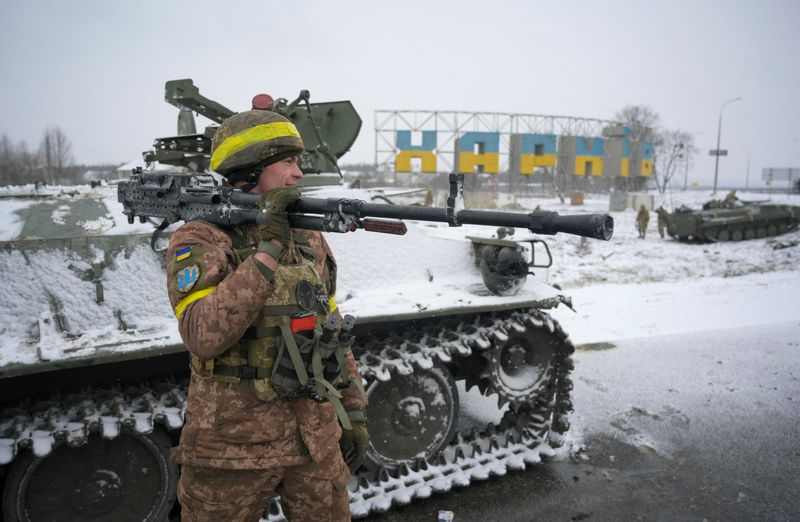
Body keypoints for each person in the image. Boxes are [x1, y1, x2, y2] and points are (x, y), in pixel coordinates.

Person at [166, 106, 368, 521]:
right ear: (251, 168)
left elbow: (329, 324)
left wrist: (354, 409)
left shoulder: (306, 233)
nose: (298, 174)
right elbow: (203, 334)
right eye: (288, 162)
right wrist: (268, 251)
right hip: (232, 450)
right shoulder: (200, 237)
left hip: (313, 438)